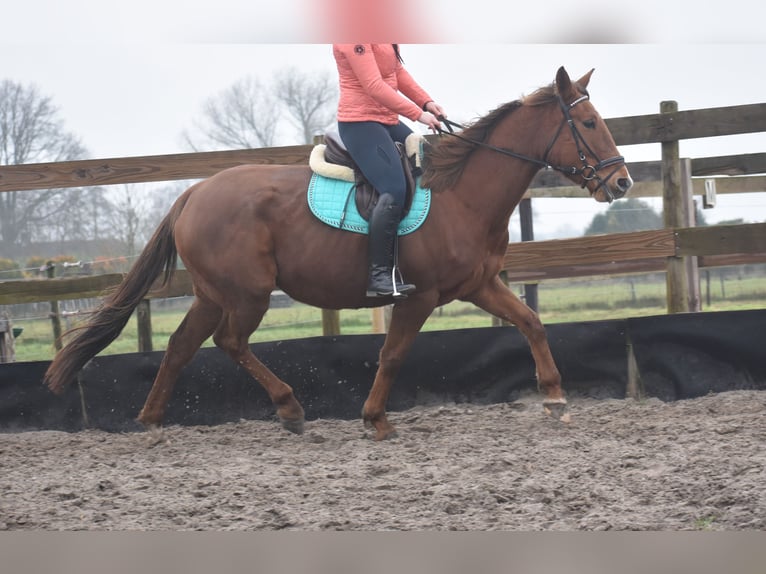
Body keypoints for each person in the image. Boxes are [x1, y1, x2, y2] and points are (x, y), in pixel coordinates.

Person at [332, 43, 447, 298]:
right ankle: (379, 275)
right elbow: (374, 86)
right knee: (394, 188)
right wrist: (418, 115)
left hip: (387, 120)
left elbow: (398, 72)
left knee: (428, 163)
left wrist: (427, 102)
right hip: (359, 123)